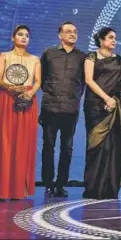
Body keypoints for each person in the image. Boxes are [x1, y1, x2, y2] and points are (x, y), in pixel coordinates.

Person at [0, 25, 41, 200]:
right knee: (4, 141)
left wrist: (29, 94)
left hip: (27, 101)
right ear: (13, 38)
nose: (24, 37)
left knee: (22, 143)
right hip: (6, 99)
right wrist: (10, 88)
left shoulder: (35, 59)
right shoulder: (3, 56)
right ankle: (1, 188)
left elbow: (37, 82)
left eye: (27, 35)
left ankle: (18, 189)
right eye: (20, 34)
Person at [82, 27, 121, 199]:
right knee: (96, 147)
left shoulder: (118, 59)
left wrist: (119, 101)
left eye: (115, 38)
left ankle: (110, 188)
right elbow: (89, 80)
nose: (114, 41)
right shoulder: (91, 57)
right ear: (101, 40)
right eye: (111, 37)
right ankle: (93, 188)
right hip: (96, 107)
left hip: (116, 107)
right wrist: (106, 99)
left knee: (114, 148)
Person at [39, 22, 86, 198]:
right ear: (60, 35)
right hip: (50, 107)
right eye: (68, 32)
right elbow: (41, 78)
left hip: (71, 109)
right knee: (48, 147)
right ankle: (48, 184)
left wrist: (74, 97)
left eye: (75, 31)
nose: (72, 34)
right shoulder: (49, 54)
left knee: (67, 148)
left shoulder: (82, 57)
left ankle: (61, 184)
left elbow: (83, 83)